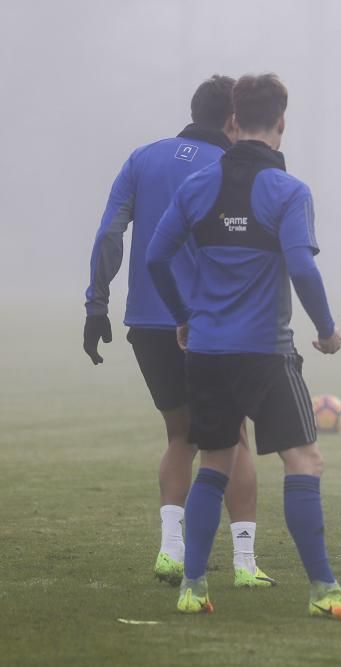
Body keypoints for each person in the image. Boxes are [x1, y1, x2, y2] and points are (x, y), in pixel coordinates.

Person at [146, 73, 341, 620]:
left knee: (214, 464)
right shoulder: (289, 191)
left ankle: (195, 587)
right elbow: (300, 264)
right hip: (266, 353)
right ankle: (324, 590)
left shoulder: (197, 186)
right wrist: (326, 328)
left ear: (231, 122)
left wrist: (184, 318)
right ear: (280, 123)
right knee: (305, 461)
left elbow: (156, 257)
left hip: (204, 351)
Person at [83, 75, 273, 588]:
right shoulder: (236, 169)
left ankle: (170, 548)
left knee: (179, 435)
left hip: (147, 321)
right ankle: (244, 563)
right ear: (234, 119)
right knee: (233, 437)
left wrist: (96, 304)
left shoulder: (142, 158)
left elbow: (109, 233)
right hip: (214, 324)